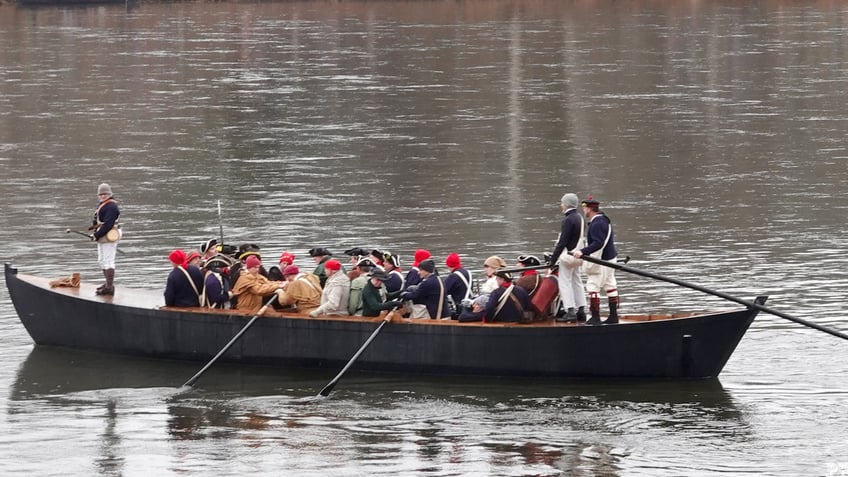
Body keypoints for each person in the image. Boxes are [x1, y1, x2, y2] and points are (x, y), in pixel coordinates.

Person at [571, 195, 619, 325]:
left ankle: (595, 317)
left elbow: (598, 243)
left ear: (589, 209)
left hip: (601, 260)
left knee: (592, 286)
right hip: (610, 258)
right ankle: (614, 316)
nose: (584, 211)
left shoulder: (597, 223)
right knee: (610, 285)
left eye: (584, 208)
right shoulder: (604, 220)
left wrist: (582, 252)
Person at [549, 192, 588, 323]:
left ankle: (570, 310)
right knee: (577, 281)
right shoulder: (580, 218)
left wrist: (552, 260)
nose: (561, 205)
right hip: (579, 255)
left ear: (566, 204)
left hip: (568, 256)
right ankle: (582, 310)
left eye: (562, 203)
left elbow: (562, 242)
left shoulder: (567, 219)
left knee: (564, 282)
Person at [91, 183, 121, 296]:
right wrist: (96, 233)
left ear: (110, 194)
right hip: (104, 234)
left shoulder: (112, 207)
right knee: (101, 260)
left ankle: (109, 287)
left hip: (110, 234)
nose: (103, 196)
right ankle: (108, 284)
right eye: (101, 194)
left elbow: (108, 224)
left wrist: (97, 235)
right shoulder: (103, 204)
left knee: (108, 261)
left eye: (105, 194)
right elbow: (99, 222)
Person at [443, 253, 472, 318]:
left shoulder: (453, 276)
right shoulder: (468, 272)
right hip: (469, 304)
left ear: (448, 265)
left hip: (460, 308)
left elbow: (443, 291)